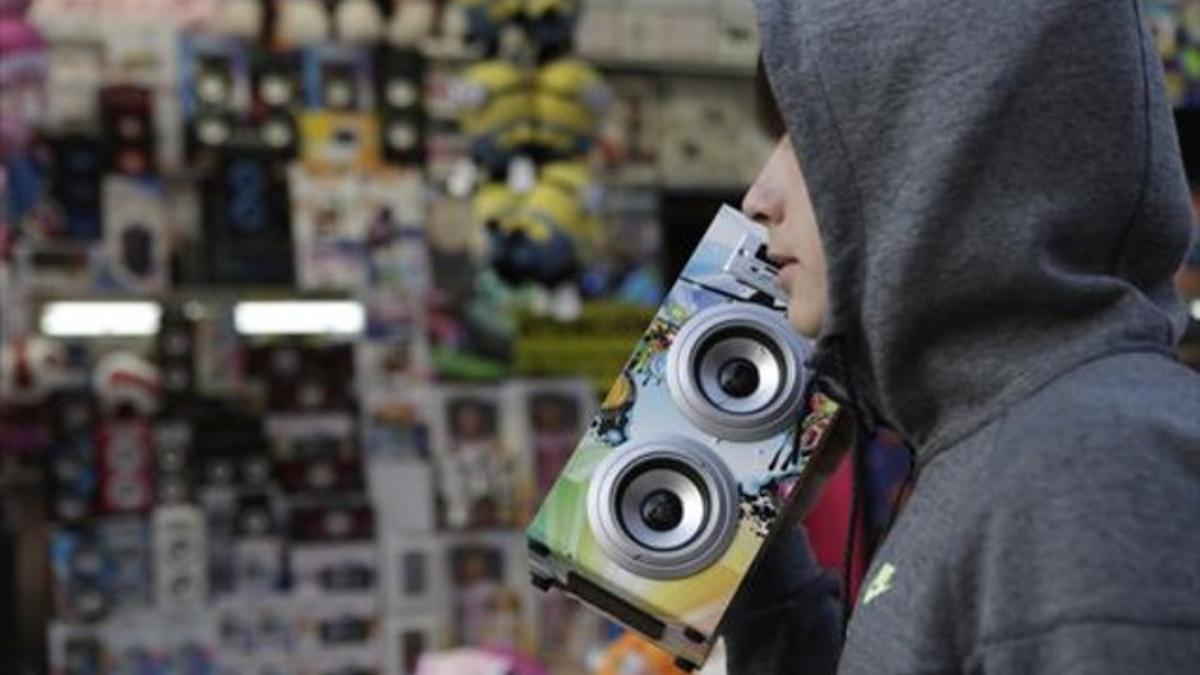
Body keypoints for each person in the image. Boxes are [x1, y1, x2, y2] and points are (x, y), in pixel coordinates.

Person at [722, 2, 1200, 673]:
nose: (758, 196)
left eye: (807, 139)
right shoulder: (999, 442)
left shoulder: (1089, 465)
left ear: (935, 150)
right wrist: (765, 563)